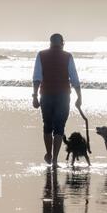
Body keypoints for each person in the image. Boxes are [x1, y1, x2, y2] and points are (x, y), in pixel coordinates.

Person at [32, 34, 82, 168]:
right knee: (59, 128)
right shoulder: (68, 56)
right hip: (63, 96)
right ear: (62, 43)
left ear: (50, 43)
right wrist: (79, 97)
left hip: (46, 95)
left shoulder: (41, 55)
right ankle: (54, 161)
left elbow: (37, 77)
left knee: (47, 126)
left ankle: (49, 155)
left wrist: (34, 96)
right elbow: (75, 78)